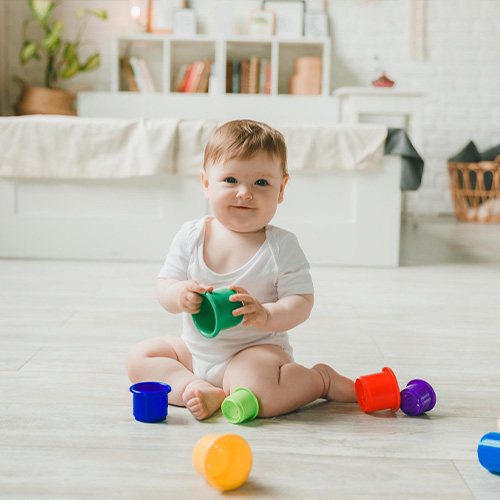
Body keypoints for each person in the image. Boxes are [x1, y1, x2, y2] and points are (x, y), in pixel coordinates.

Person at [126, 119, 356, 420]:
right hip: (196, 352)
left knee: (263, 395)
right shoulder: (191, 236)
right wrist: (179, 294)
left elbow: (301, 302)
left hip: (255, 352)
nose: (244, 193)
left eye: (261, 183)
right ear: (207, 184)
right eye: (231, 180)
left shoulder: (281, 246)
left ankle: (320, 379)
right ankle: (195, 387)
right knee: (139, 358)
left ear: (281, 189)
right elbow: (164, 285)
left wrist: (266, 314)